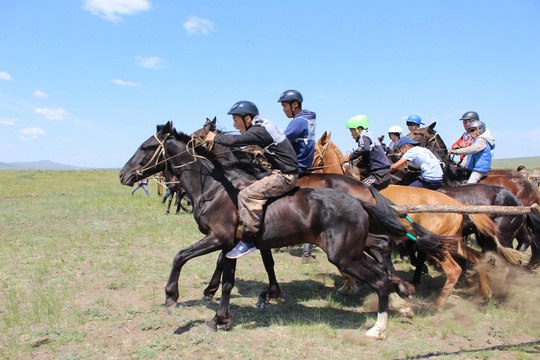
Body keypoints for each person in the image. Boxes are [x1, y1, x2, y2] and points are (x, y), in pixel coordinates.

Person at [205, 100, 299, 259]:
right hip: (280, 171)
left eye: (235, 120)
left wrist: (215, 137)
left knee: (246, 194)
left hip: (285, 176)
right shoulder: (261, 127)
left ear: (247, 119)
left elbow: (236, 141)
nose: (234, 125)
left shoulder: (259, 130)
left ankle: (248, 240)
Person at [278, 89, 316, 263]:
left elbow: (281, 142)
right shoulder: (306, 120)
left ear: (295, 105)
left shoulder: (298, 121)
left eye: (285, 105)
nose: (284, 109)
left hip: (294, 167)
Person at [343, 114, 391, 190]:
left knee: (359, 189)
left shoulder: (364, 136)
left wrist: (350, 157)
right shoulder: (371, 135)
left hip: (379, 175)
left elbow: (364, 148)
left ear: (358, 129)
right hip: (379, 173)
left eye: (352, 131)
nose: (351, 134)